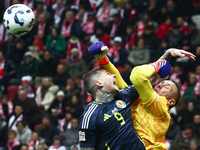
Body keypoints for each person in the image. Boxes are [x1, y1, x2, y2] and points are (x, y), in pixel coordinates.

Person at [88, 41, 195, 150]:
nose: (160, 85)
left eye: (167, 87)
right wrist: (101, 58)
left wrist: (158, 66)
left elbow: (138, 76)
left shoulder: (162, 107)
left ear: (171, 102)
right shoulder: (141, 100)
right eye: (161, 83)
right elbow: (120, 84)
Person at [79, 51, 146, 149]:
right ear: (99, 83)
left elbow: (146, 80)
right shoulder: (90, 115)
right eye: (108, 74)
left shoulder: (123, 96)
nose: (114, 76)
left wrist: (165, 58)